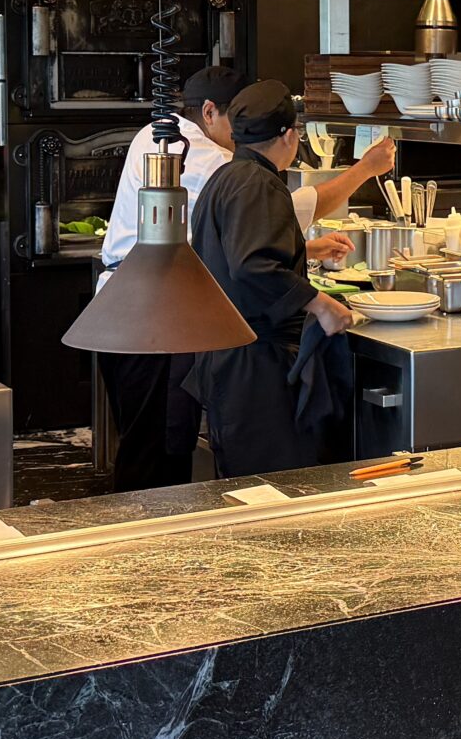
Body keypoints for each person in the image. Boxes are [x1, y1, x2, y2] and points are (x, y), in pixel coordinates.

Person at [94, 67, 393, 489]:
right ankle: (148, 528)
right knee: (160, 456)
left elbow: (227, 243)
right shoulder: (217, 164)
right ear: (210, 112)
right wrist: (320, 301)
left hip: (129, 308)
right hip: (159, 315)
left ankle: (149, 524)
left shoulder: (163, 137)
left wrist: (302, 250)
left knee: (154, 449)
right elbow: (255, 254)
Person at [185, 82, 354, 479]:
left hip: (227, 356)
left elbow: (232, 255)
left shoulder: (227, 176)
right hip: (256, 367)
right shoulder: (260, 184)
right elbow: (253, 266)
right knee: (273, 483)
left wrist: (303, 251)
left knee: (245, 482)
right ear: (289, 136)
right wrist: (321, 305)